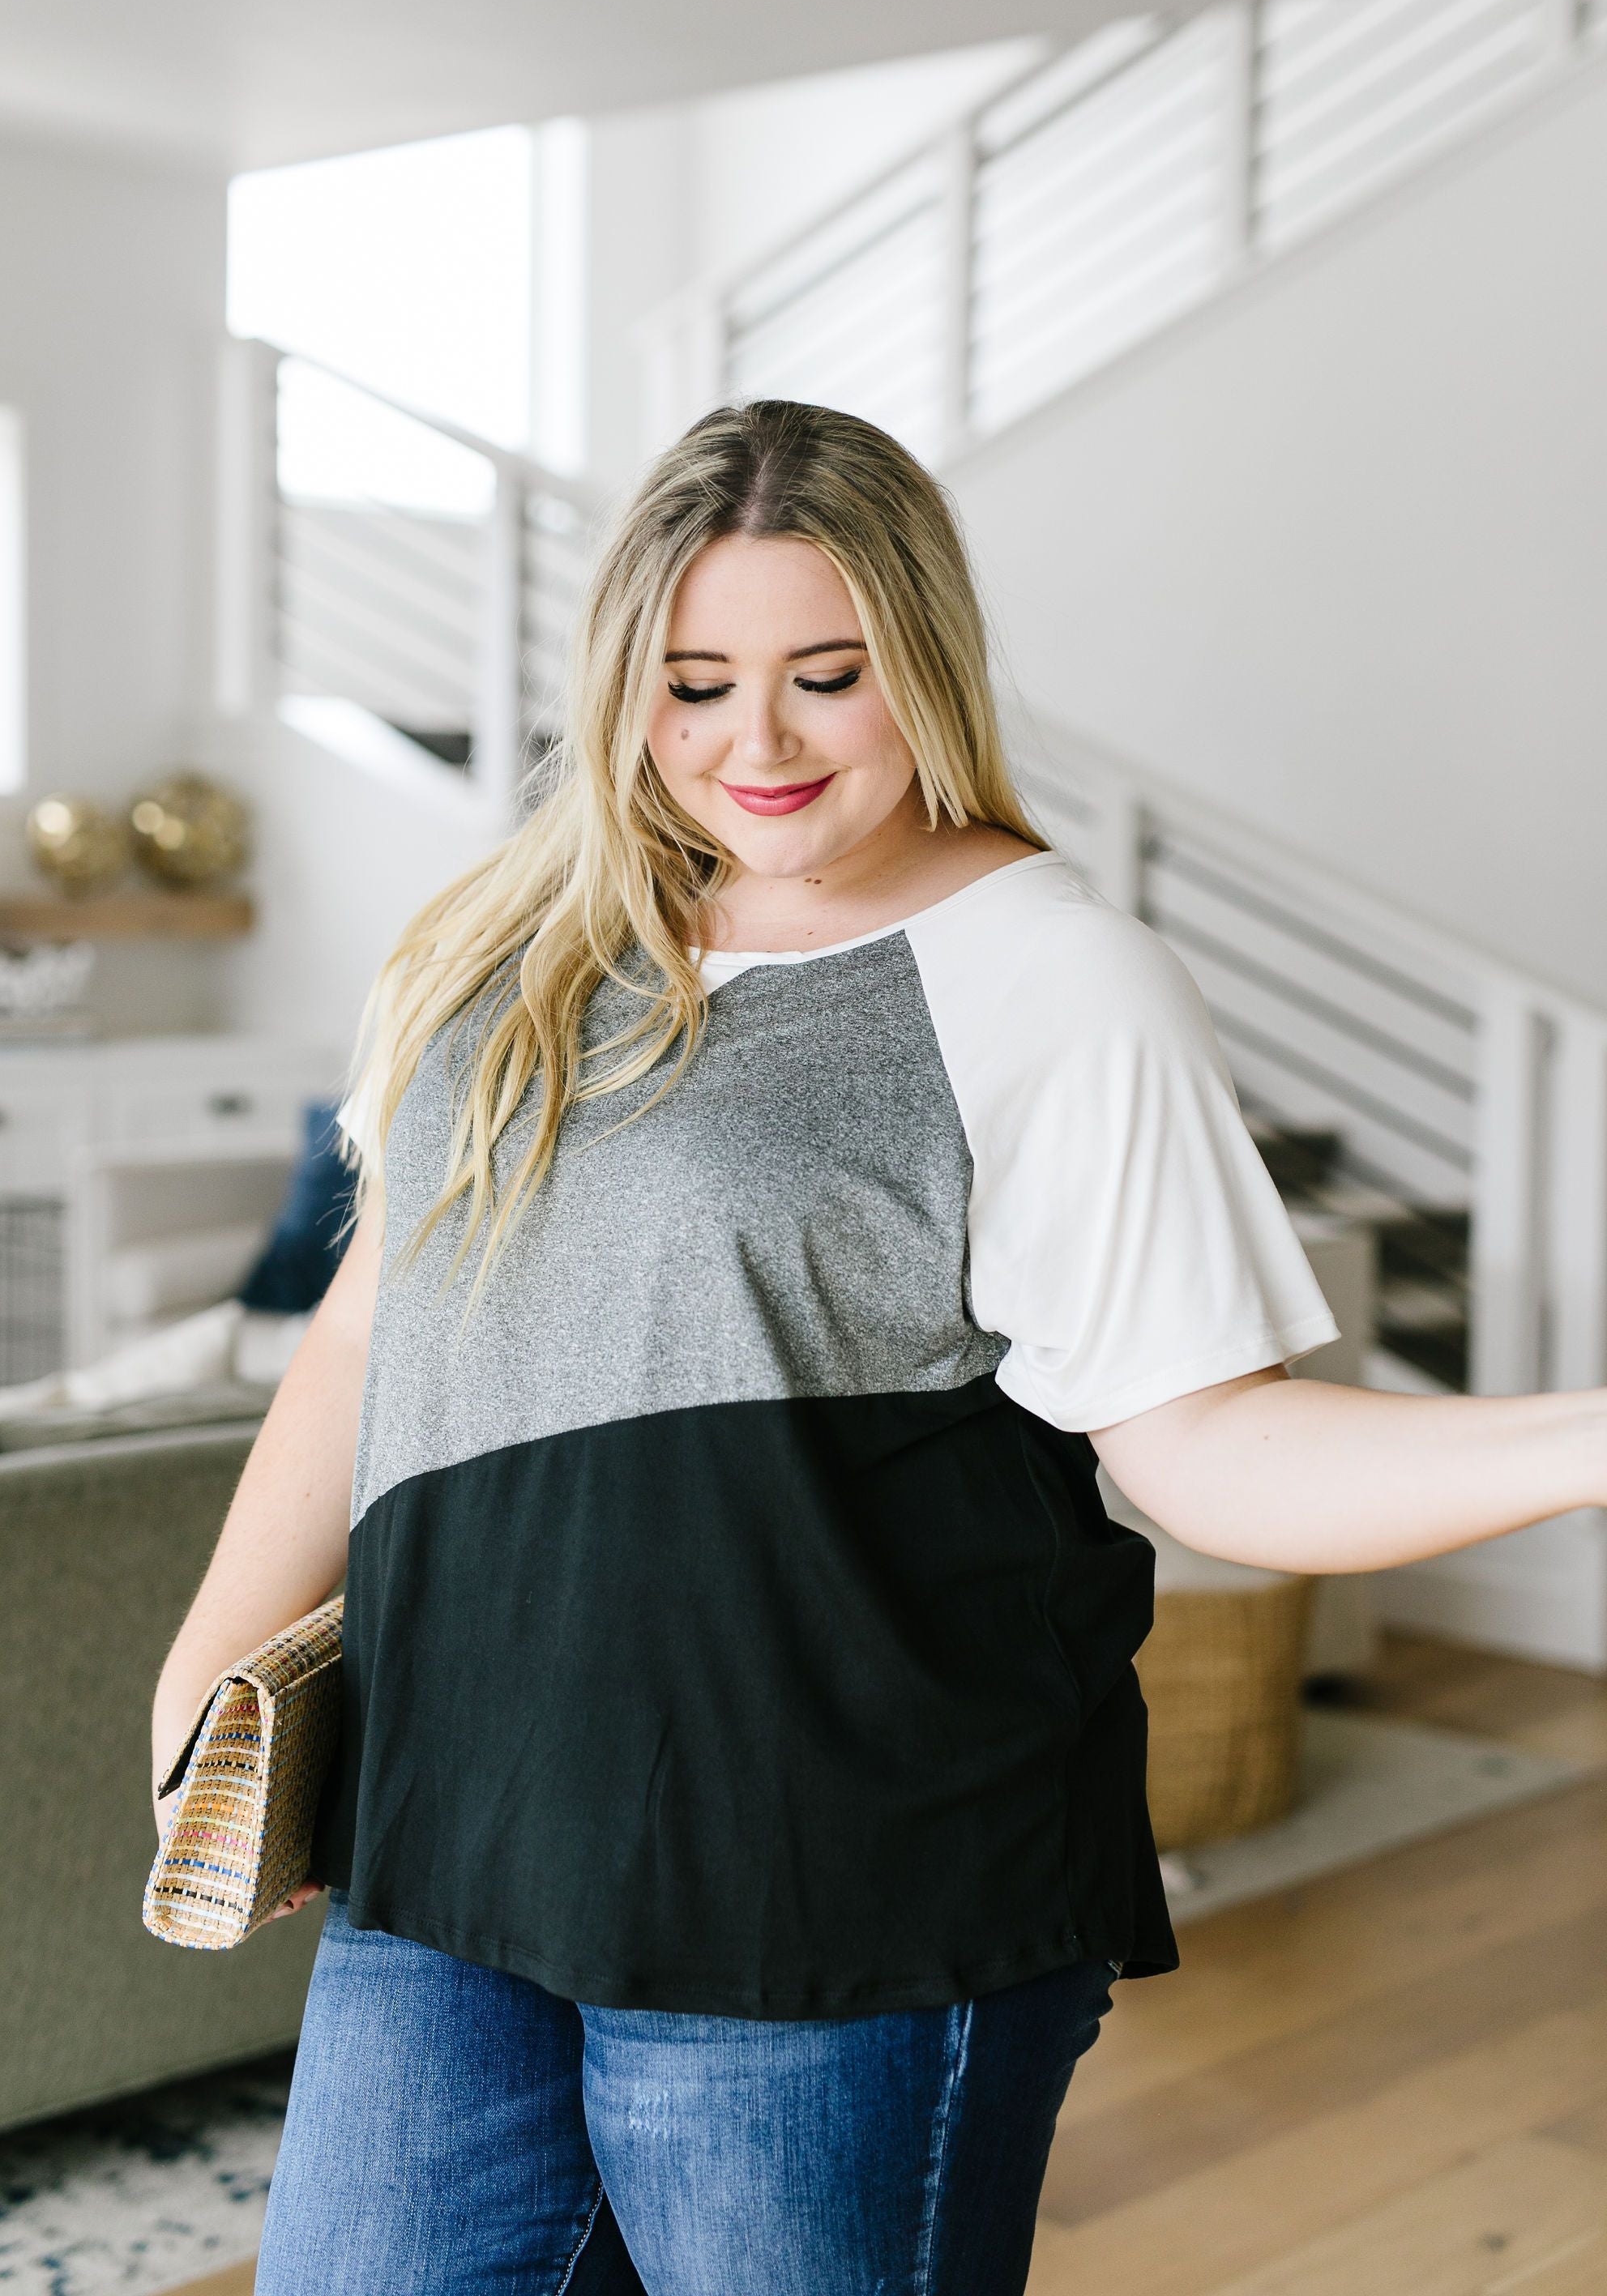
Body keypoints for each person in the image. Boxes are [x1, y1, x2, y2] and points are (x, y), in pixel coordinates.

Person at [152, 401, 1607, 2296]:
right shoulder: (509, 941)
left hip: (830, 1875)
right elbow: (375, 1317)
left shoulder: (1051, 975)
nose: (752, 743)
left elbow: (1203, 1444)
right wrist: (207, 1653)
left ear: (920, 660)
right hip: (453, 1847)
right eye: (692, 682)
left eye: (824, 678)